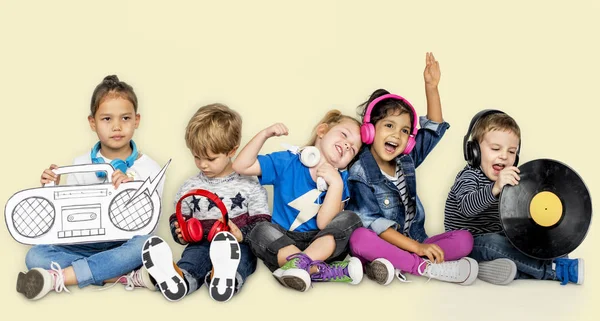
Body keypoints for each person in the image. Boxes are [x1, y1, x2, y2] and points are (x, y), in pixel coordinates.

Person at [17, 75, 164, 300]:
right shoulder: (79, 164)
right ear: (92, 122)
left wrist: (130, 191)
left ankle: (59, 278)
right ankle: (122, 277)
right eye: (107, 119)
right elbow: (70, 218)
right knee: (35, 256)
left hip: (123, 245)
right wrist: (52, 191)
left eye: (125, 118)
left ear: (137, 120)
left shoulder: (150, 168)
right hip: (85, 244)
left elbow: (149, 225)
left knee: (146, 245)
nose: (116, 126)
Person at [348, 53, 478, 286]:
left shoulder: (406, 160)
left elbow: (433, 128)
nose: (396, 136)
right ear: (369, 131)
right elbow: (375, 224)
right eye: (389, 126)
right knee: (359, 239)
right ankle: (421, 266)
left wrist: (432, 87)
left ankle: (398, 263)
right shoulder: (360, 172)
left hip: (414, 241)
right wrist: (418, 249)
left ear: (409, 140)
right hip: (383, 243)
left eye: (405, 131)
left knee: (464, 239)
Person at [133, 103, 271, 302]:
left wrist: (242, 235)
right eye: (197, 157)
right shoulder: (189, 186)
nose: (202, 164)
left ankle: (224, 278)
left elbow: (261, 222)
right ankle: (180, 280)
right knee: (192, 260)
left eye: (210, 158)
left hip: (236, 245)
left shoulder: (249, 184)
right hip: (201, 243)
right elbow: (179, 216)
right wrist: (179, 231)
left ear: (232, 150)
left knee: (240, 260)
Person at [444, 109, 584, 285]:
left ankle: (489, 269)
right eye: (495, 148)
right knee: (491, 242)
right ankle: (553, 271)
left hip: (499, 243)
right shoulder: (469, 176)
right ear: (474, 151)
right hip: (470, 245)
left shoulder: (509, 179)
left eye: (511, 152)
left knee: (526, 242)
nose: (504, 156)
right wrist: (494, 188)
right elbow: (467, 207)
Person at [233, 110, 364, 292]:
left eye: (353, 148)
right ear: (322, 131)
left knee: (351, 219)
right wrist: (264, 134)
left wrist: (335, 184)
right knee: (259, 229)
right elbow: (241, 166)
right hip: (282, 243)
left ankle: (298, 266)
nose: (347, 145)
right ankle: (315, 270)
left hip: (321, 244)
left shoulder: (341, 180)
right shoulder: (287, 161)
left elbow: (325, 223)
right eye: (344, 135)